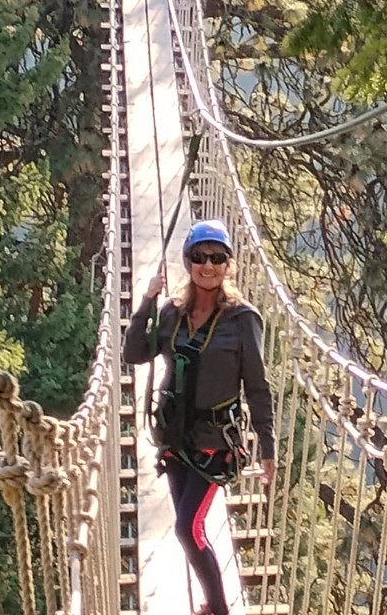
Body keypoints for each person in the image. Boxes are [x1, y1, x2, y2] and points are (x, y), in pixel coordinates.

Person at [124, 219, 276, 615]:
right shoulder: (172, 313)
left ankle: (220, 610)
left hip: (214, 444)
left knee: (187, 530)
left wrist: (267, 446)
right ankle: (212, 604)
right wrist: (147, 302)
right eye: (199, 256)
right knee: (190, 531)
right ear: (188, 260)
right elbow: (134, 353)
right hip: (174, 439)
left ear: (228, 263)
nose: (208, 265)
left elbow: (257, 387)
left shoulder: (243, 319)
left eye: (217, 257)